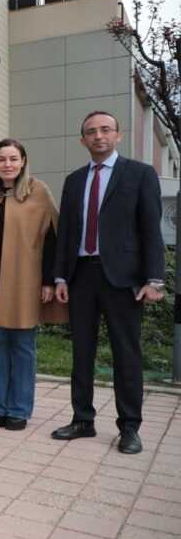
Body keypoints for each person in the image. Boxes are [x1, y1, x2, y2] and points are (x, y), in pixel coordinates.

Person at [51, 111, 165, 454]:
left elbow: (151, 229)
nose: (98, 136)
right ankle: (82, 419)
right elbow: (66, 233)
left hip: (123, 278)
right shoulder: (73, 181)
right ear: (82, 140)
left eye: (105, 130)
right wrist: (59, 275)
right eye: (90, 132)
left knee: (126, 354)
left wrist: (154, 279)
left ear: (118, 135)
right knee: (81, 352)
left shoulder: (141, 174)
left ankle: (130, 427)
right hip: (82, 275)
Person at [0, 140, 66, 431]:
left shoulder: (38, 192)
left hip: (26, 279)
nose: (7, 164)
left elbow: (52, 237)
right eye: (1, 159)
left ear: (23, 161)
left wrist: (49, 280)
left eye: (13, 158)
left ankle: (19, 409)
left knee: (23, 344)